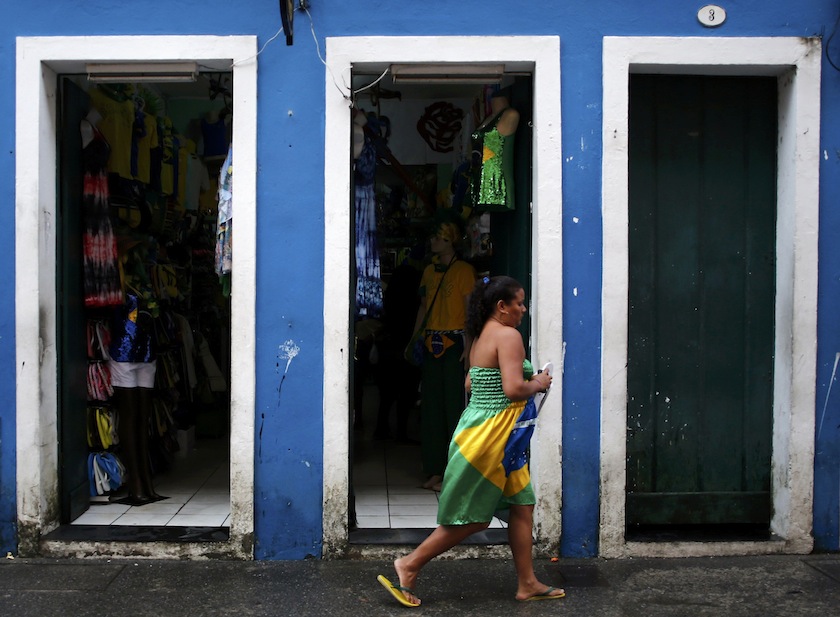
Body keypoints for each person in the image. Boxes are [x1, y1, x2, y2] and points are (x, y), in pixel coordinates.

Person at [377, 275, 562, 606]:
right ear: (501, 307)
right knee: (474, 517)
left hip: (492, 432)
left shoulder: (481, 336)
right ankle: (409, 565)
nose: (523, 308)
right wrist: (538, 382)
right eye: (519, 302)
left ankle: (528, 583)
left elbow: (469, 384)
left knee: (522, 506)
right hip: (491, 437)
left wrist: (522, 381)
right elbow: (512, 389)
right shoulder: (509, 335)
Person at [414, 219, 476, 491]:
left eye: (439, 237)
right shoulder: (428, 271)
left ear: (450, 240)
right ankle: (434, 469)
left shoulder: (464, 271)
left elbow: (469, 311)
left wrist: (470, 346)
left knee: (454, 407)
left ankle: (454, 470)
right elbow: (423, 307)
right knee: (430, 409)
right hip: (430, 342)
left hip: (454, 344)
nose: (433, 242)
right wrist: (414, 339)